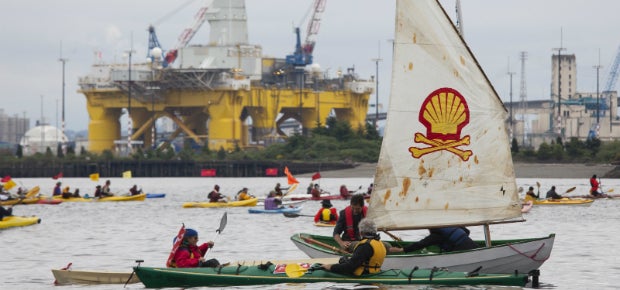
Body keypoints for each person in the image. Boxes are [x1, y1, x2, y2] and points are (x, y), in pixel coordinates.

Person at [320, 218, 386, 276]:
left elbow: (349, 267)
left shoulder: (365, 245)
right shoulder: (380, 243)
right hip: (376, 272)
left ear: (361, 232)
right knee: (344, 259)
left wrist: (331, 267)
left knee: (343, 261)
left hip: (364, 274)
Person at [389, 227, 478, 253]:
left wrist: (401, 249)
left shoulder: (436, 236)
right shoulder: (450, 224)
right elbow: (467, 231)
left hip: (463, 251)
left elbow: (421, 244)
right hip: (474, 247)